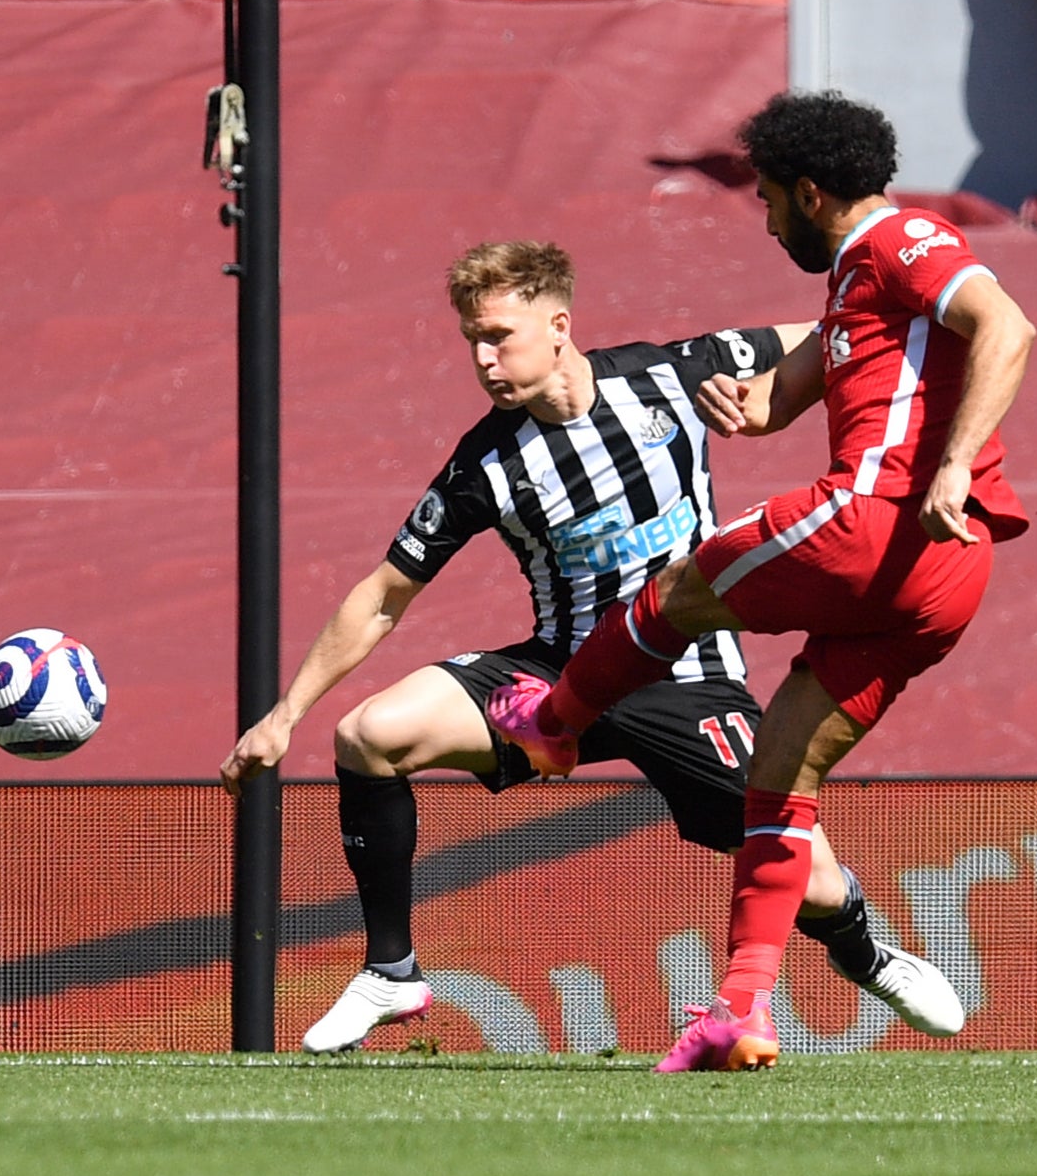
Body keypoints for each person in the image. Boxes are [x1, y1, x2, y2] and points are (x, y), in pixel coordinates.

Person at [221, 239, 961, 1054]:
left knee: (813, 882)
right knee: (367, 736)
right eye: (471, 339)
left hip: (686, 676)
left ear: (559, 326)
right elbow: (383, 594)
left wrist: (867, 363)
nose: (482, 357)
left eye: (498, 335)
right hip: (561, 673)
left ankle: (861, 950)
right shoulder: (485, 462)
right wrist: (285, 713)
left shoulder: (669, 375)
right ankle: (391, 970)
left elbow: (830, 333)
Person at [489, 93, 1034, 1073]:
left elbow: (1007, 327)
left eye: (771, 201)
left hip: (880, 521)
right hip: (942, 578)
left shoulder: (901, 239)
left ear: (811, 192)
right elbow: (804, 393)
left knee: (672, 592)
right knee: (779, 778)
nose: (768, 220)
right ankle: (740, 1010)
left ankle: (556, 722)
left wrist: (951, 464)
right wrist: (751, 405)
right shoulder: (853, 286)